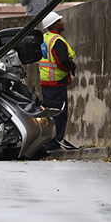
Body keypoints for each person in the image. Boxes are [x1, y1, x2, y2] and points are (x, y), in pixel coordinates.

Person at [39, 12, 78, 151]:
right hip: (56, 81)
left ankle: (50, 142)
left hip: (46, 81)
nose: (62, 22)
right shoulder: (56, 40)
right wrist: (72, 66)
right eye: (59, 20)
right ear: (53, 24)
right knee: (59, 114)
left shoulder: (45, 38)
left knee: (49, 113)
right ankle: (54, 143)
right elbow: (62, 61)